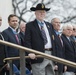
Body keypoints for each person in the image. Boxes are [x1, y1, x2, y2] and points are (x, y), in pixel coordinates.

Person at [24, 3, 55, 75]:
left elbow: (53, 41)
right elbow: (27, 41)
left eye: (43, 12)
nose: (42, 13)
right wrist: (30, 52)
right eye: (40, 12)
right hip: (38, 55)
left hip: (50, 54)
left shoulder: (49, 25)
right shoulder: (30, 25)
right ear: (35, 13)